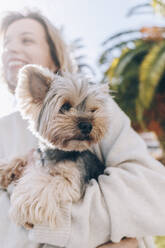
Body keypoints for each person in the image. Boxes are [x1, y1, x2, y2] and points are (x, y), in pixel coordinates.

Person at [0, 9, 164, 248]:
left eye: (27, 39)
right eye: (6, 42)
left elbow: (152, 193)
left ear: (54, 59)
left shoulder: (101, 106)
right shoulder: (5, 129)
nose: (12, 48)